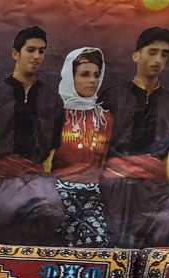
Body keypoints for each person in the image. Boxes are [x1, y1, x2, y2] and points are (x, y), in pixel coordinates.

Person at [0, 26, 65, 246]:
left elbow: (52, 147)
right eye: (30, 50)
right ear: (16, 53)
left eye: (41, 51)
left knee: (51, 214)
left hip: (36, 180)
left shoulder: (52, 99)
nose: (36, 57)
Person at [97, 27, 169, 248]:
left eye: (164, 54)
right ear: (137, 55)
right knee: (121, 243)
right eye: (152, 52)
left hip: (155, 186)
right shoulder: (112, 96)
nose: (158, 59)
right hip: (117, 185)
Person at [54, 47, 114, 247]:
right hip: (57, 195)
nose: (92, 81)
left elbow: (105, 164)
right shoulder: (55, 114)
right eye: (85, 75)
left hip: (93, 197)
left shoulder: (105, 119)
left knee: (99, 244)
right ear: (71, 77)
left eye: (96, 75)